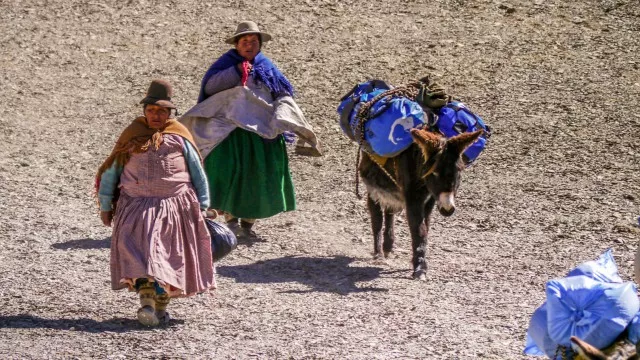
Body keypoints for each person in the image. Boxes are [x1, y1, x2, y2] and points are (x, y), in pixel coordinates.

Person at [95, 80, 215, 327]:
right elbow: (111, 172)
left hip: (175, 208)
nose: (155, 115)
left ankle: (159, 307)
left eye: (161, 111)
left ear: (169, 113)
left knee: (167, 256)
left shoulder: (180, 137)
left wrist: (203, 205)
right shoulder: (132, 136)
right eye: (151, 110)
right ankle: (147, 301)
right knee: (143, 254)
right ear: (144, 112)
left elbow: (197, 173)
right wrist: (106, 205)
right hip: (135, 208)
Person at [196, 21, 297, 238]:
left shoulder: (268, 67)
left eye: (253, 41)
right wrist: (236, 72)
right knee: (230, 171)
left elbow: (282, 93)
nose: (249, 45)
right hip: (230, 132)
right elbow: (210, 88)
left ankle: (248, 224)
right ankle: (230, 220)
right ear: (236, 44)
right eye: (244, 41)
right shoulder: (226, 64)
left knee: (257, 174)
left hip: (261, 133)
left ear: (260, 44)